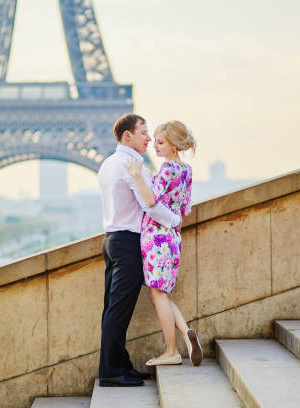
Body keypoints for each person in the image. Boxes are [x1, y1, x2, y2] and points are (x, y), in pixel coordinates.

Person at [97, 113, 183, 387]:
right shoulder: (133, 164)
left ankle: (119, 365)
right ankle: (111, 371)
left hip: (111, 240)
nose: (148, 138)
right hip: (128, 243)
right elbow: (151, 204)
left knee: (112, 308)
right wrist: (175, 220)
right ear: (127, 136)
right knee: (118, 311)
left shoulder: (109, 163)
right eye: (144, 132)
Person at [124, 120, 203, 367]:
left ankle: (171, 351)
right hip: (172, 239)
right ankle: (186, 336)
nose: (155, 147)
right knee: (162, 293)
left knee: (157, 295)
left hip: (156, 237)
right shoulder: (186, 171)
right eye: (155, 141)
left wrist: (137, 175)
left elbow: (150, 200)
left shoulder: (167, 169)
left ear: (174, 145)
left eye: (160, 143)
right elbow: (186, 209)